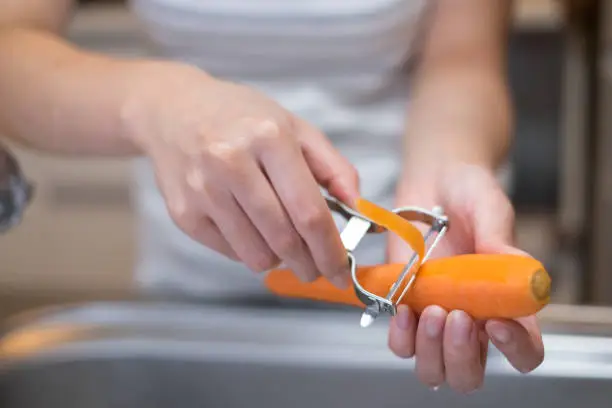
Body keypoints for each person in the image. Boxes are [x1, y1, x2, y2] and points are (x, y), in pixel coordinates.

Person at [0, 0, 544, 394]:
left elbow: (462, 59)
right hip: (192, 290)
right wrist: (158, 104)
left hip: (402, 275)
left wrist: (448, 171)